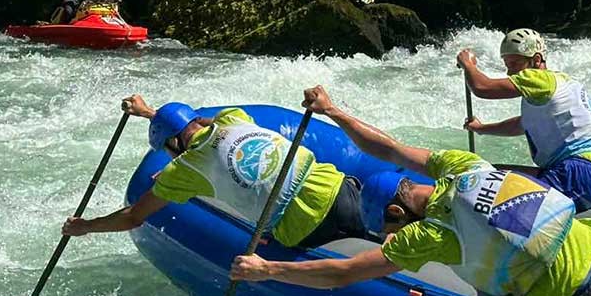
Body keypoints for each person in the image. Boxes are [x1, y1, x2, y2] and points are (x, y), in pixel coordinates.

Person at [229, 86, 591, 296]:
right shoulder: (462, 165)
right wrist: (334, 111)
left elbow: (343, 274)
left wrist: (267, 270)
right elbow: (393, 149)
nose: (389, 237)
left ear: (397, 214)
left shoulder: (429, 235)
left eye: (386, 229)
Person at [62, 95, 366, 249]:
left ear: (172, 145)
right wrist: (150, 113)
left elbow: (133, 216)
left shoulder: (184, 171)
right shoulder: (234, 118)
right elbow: (195, 124)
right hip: (339, 188)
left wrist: (85, 226)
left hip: (304, 229)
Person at [457, 29, 591, 213]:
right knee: (489, 173)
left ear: (536, 60)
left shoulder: (540, 78)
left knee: (483, 184)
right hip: (584, 177)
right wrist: (481, 128)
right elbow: (521, 124)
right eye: (507, 64)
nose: (509, 71)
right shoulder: (560, 86)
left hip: (573, 172)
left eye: (514, 64)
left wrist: (468, 64)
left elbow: (482, 87)